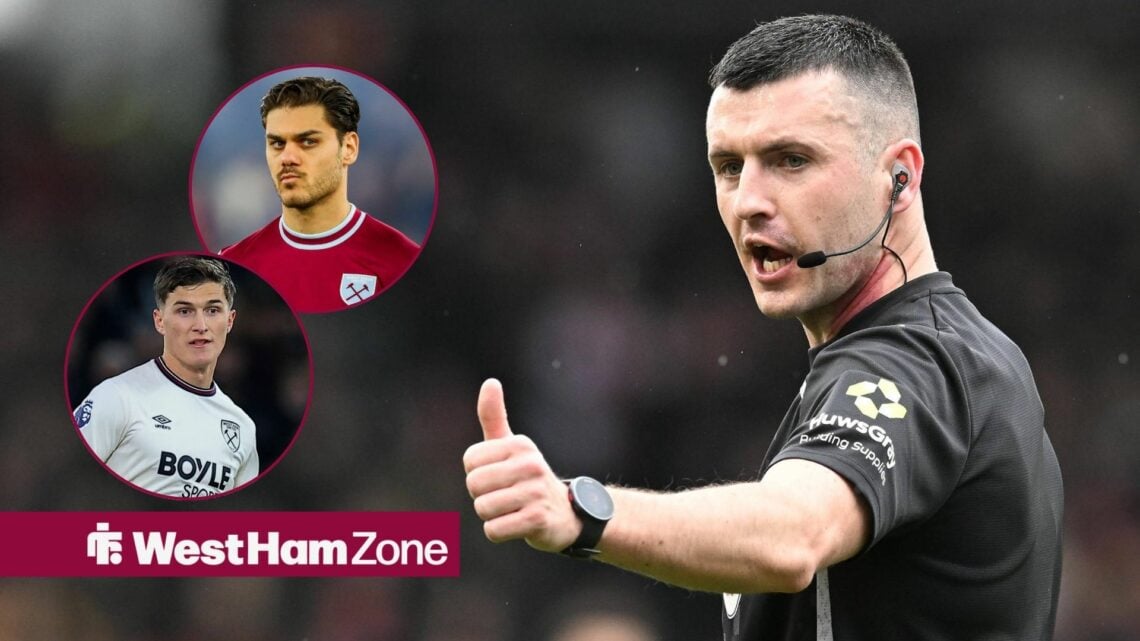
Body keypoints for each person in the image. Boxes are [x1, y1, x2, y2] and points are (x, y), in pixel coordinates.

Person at [463, 14, 1063, 640]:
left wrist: (582, 514)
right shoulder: (936, 356)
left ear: (900, 178)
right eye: (729, 166)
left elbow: (792, 535)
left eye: (791, 160)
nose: (749, 200)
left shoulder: (917, 361)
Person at [220, 76, 420, 313]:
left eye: (308, 142)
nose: (287, 158)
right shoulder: (235, 263)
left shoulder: (400, 258)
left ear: (348, 148)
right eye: (277, 144)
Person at [74, 256, 259, 498]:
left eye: (212, 310)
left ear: (230, 321)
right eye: (185, 311)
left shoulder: (242, 426)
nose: (200, 325)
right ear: (160, 321)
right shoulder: (114, 398)